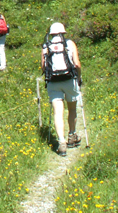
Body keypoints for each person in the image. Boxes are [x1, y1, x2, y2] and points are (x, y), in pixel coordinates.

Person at [41, 22, 82, 155]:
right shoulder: (70, 44)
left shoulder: (46, 46)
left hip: (53, 82)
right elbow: (77, 64)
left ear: (51, 33)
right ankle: (72, 135)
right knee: (72, 109)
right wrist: (79, 78)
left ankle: (61, 142)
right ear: (63, 32)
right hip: (69, 80)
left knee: (58, 112)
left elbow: (43, 67)